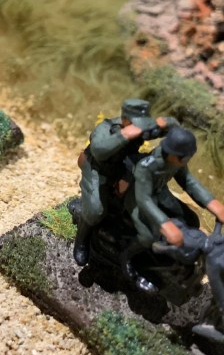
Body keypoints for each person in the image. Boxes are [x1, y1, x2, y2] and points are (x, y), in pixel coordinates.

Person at [74, 99, 177, 266]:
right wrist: (126, 135)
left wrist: (163, 123)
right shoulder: (106, 129)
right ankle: (82, 238)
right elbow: (99, 151)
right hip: (97, 169)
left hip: (122, 167)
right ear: (125, 119)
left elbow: (174, 127)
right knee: (95, 211)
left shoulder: (142, 128)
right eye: (136, 124)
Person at [127, 126, 224, 249]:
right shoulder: (146, 167)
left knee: (191, 220)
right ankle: (127, 254)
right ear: (172, 154)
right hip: (137, 198)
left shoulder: (176, 160)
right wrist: (164, 223)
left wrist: (210, 202)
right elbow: (144, 200)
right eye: (185, 157)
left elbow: (187, 181)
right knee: (148, 237)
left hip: (160, 192)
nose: (187, 160)